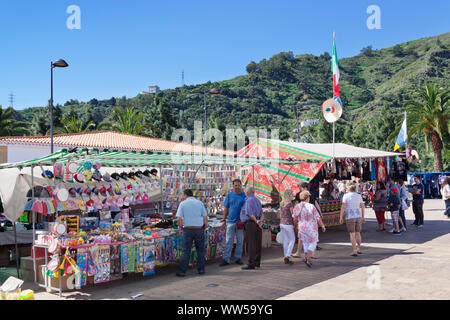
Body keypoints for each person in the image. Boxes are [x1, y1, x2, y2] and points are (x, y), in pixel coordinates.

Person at [175, 189, 208, 277]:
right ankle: (201, 269)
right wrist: (204, 227)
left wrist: (181, 226)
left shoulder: (183, 204)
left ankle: (182, 271)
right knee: (200, 250)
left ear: (185, 195)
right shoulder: (200, 203)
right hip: (199, 229)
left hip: (188, 229)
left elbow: (179, 219)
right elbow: (205, 217)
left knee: (186, 251)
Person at [292, 191, 326, 268]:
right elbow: (318, 218)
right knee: (313, 242)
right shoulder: (311, 206)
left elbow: (294, 218)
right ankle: (308, 259)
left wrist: (295, 225)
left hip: (301, 227)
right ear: (307, 198)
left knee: (306, 242)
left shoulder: (297, 206)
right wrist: (322, 225)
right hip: (311, 227)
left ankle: (306, 257)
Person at [220, 179, 246, 266]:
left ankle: (238, 258)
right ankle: (226, 259)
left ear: (241, 186)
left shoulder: (244, 195)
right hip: (230, 221)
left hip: (240, 222)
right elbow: (226, 208)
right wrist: (224, 219)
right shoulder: (229, 195)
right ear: (233, 186)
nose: (237, 187)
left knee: (240, 241)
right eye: (235, 185)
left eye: (239, 185)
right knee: (228, 241)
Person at [240, 186, 263, 270]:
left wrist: (256, 221)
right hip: (257, 222)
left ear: (247, 192)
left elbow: (249, 213)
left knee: (251, 243)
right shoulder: (257, 200)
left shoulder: (249, 200)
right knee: (257, 243)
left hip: (251, 223)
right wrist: (260, 221)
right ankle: (257, 262)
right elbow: (261, 213)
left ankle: (251, 263)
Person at [340, 184, 365, 256]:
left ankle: (354, 251)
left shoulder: (346, 196)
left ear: (349, 189)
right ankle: (358, 248)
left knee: (352, 234)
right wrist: (363, 216)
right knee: (358, 233)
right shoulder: (358, 195)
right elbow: (362, 206)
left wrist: (341, 217)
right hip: (358, 216)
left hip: (350, 216)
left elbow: (343, 207)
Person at [279, 189, 296, 265]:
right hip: (288, 224)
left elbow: (280, 215)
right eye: (292, 195)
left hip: (282, 223)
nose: (293, 196)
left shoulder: (281, 203)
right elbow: (293, 215)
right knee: (292, 240)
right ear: (289, 195)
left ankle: (285, 256)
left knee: (285, 240)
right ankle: (288, 255)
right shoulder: (290, 204)